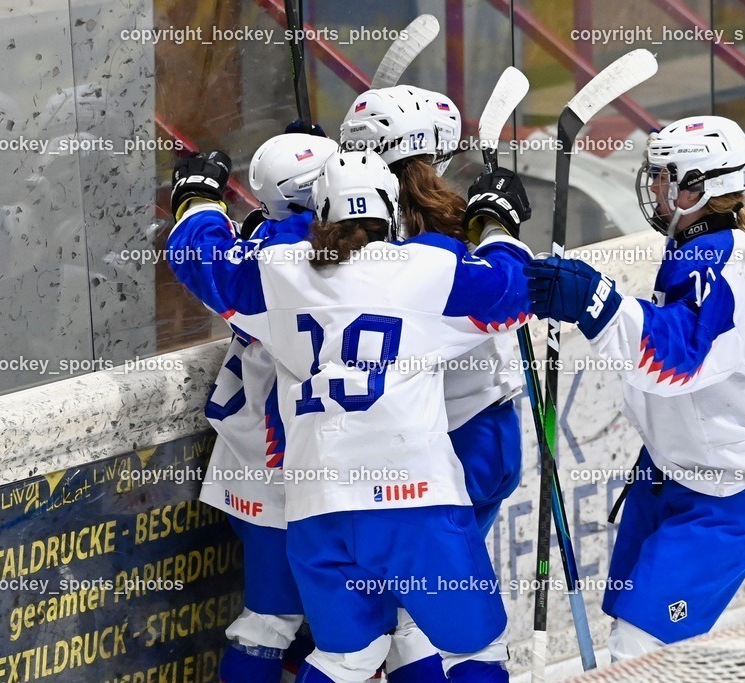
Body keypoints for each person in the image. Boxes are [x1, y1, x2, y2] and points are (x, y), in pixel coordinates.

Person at [168, 148, 532, 682]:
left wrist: (199, 199)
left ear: (321, 214)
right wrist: (496, 222)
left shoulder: (279, 270)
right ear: (390, 212)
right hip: (416, 505)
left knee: (345, 659)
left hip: (319, 510)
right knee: (474, 651)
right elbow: (514, 288)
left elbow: (200, 258)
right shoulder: (429, 267)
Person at [524, 116, 745, 661]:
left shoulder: (720, 255)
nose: (653, 188)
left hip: (729, 487)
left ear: (701, 185)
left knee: (639, 644)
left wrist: (594, 303)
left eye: (665, 176)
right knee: (642, 637)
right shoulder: (696, 246)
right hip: (674, 468)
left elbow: (679, 360)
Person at [340, 86, 528, 681]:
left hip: (447, 449)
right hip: (496, 434)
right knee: (425, 614)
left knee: (410, 620)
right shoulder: (465, 223)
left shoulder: (383, 243)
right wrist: (502, 226)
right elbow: (514, 288)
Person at [200, 133, 337, 683]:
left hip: (250, 457)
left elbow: (207, 260)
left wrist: (199, 200)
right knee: (360, 632)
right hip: (310, 464)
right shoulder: (377, 250)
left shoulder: (263, 257)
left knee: (268, 621)